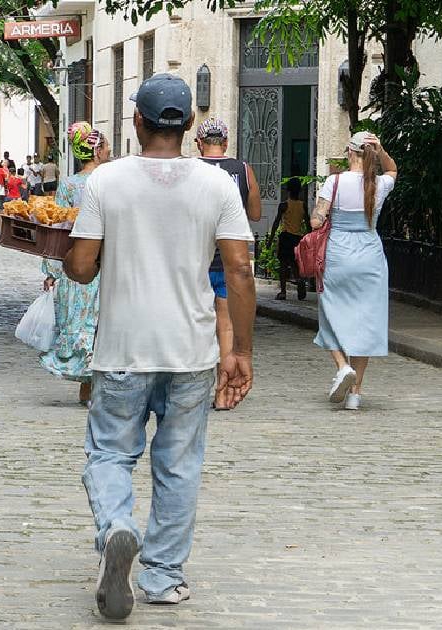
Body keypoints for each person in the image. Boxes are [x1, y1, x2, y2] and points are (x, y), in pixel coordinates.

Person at [64, 73, 256, 619]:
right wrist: (240, 350)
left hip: (124, 346)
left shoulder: (107, 182)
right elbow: (239, 269)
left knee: (108, 453)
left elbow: (80, 269)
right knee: (179, 464)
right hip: (192, 348)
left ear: (137, 123)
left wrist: (69, 250)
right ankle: (164, 576)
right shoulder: (218, 185)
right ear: (190, 125)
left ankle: (117, 528)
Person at [311, 131, 398, 411]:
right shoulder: (380, 184)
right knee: (365, 321)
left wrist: (320, 216)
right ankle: (356, 393)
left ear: (350, 152)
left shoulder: (334, 182)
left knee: (329, 312)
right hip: (370, 255)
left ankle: (342, 366)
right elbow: (394, 169)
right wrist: (381, 150)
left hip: (339, 254)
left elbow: (316, 221)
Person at [194, 117, 262, 409]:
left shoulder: (191, 170)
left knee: (193, 325)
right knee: (226, 327)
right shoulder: (243, 170)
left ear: (198, 143)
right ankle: (222, 394)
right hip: (230, 258)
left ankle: (189, 391)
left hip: (196, 257)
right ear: (225, 142)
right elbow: (256, 213)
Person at [42, 122, 109, 405]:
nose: (108, 151)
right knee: (102, 325)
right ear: (96, 151)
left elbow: (56, 229)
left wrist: (51, 271)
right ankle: (98, 387)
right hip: (106, 264)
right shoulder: (110, 181)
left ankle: (87, 386)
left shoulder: (68, 185)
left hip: (75, 265)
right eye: (105, 147)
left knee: (83, 324)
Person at [269, 178, 310, 300]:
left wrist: (271, 239)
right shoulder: (303, 205)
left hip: (286, 237)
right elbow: (307, 223)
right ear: (299, 191)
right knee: (295, 264)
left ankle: (283, 292)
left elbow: (276, 223)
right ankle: (299, 280)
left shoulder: (284, 205)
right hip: (297, 238)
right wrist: (310, 239)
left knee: (283, 265)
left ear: (288, 191)